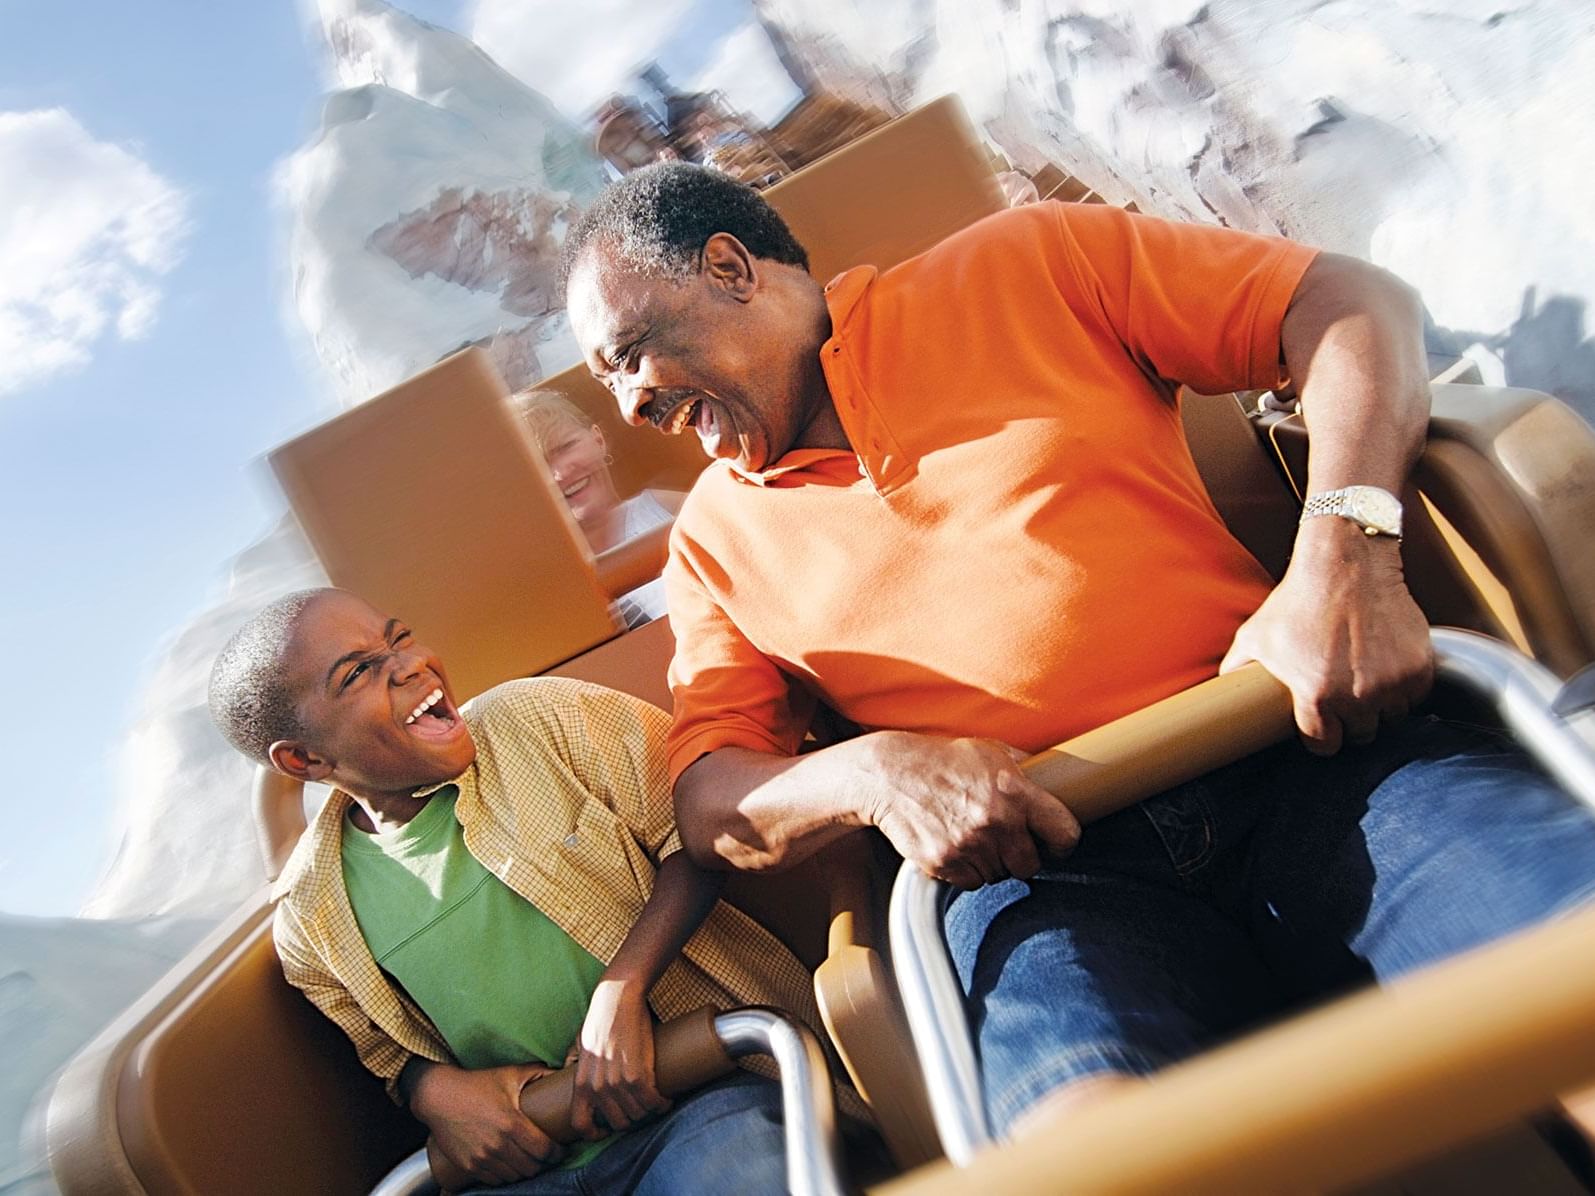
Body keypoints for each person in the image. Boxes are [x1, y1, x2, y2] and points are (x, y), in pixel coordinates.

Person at [559, 162, 1595, 1139]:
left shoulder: (1027, 263)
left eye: (629, 354)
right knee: (1090, 1145)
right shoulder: (709, 545)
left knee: (1563, 952)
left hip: (1305, 753)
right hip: (1042, 883)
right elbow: (712, 805)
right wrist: (870, 771)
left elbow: (1345, 301)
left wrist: (1344, 551)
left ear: (731, 270)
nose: (631, 408)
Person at [207, 587, 816, 1193]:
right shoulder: (311, 917)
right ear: (304, 760)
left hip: (702, 1098)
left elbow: (696, 831)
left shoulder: (540, 720)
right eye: (361, 672)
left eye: (400, 638)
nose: (410, 665)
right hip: (529, 1168)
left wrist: (621, 989)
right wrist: (432, 1093)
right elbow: (389, 1055)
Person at [514, 389, 682, 628]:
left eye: (565, 447)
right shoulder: (540, 584)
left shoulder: (666, 509)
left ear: (598, 440)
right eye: (538, 466)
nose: (559, 474)